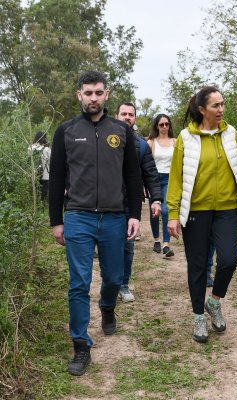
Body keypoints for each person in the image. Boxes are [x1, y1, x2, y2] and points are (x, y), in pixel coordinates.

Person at [49, 71, 143, 376]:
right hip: (78, 215)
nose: (93, 98)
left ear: (106, 94)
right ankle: (80, 345)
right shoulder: (65, 132)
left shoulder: (121, 131)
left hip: (115, 217)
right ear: (79, 95)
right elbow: (57, 179)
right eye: (88, 93)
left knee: (114, 278)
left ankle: (107, 307)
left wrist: (134, 215)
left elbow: (133, 175)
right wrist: (56, 221)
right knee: (78, 283)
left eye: (98, 93)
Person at [167, 86, 237, 343]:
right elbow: (176, 178)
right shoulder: (185, 137)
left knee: (228, 259)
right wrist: (172, 213)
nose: (221, 109)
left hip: (226, 209)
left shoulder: (231, 134)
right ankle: (198, 316)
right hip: (196, 211)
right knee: (198, 266)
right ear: (202, 110)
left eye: (222, 104)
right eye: (215, 106)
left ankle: (214, 302)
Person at [116, 102, 163, 302]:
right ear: (117, 116)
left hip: (129, 205)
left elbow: (151, 174)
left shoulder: (141, 145)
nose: (127, 117)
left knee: (128, 247)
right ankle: (110, 281)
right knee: (109, 246)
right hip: (105, 205)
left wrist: (156, 200)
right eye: (123, 114)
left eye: (131, 114)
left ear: (135, 118)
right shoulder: (103, 139)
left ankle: (123, 284)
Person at [147, 114, 176, 258]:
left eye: (167, 124)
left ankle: (166, 244)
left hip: (169, 179)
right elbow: (145, 163)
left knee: (165, 210)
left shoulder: (175, 142)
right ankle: (156, 240)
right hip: (154, 178)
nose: (164, 127)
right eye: (161, 124)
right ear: (156, 126)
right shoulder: (151, 142)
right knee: (155, 211)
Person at [28, 131, 51, 204]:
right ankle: (42, 208)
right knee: (43, 193)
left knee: (35, 192)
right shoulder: (46, 149)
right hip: (45, 175)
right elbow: (51, 161)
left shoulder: (30, 147)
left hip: (34, 174)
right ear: (44, 138)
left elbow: (29, 161)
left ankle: (35, 206)